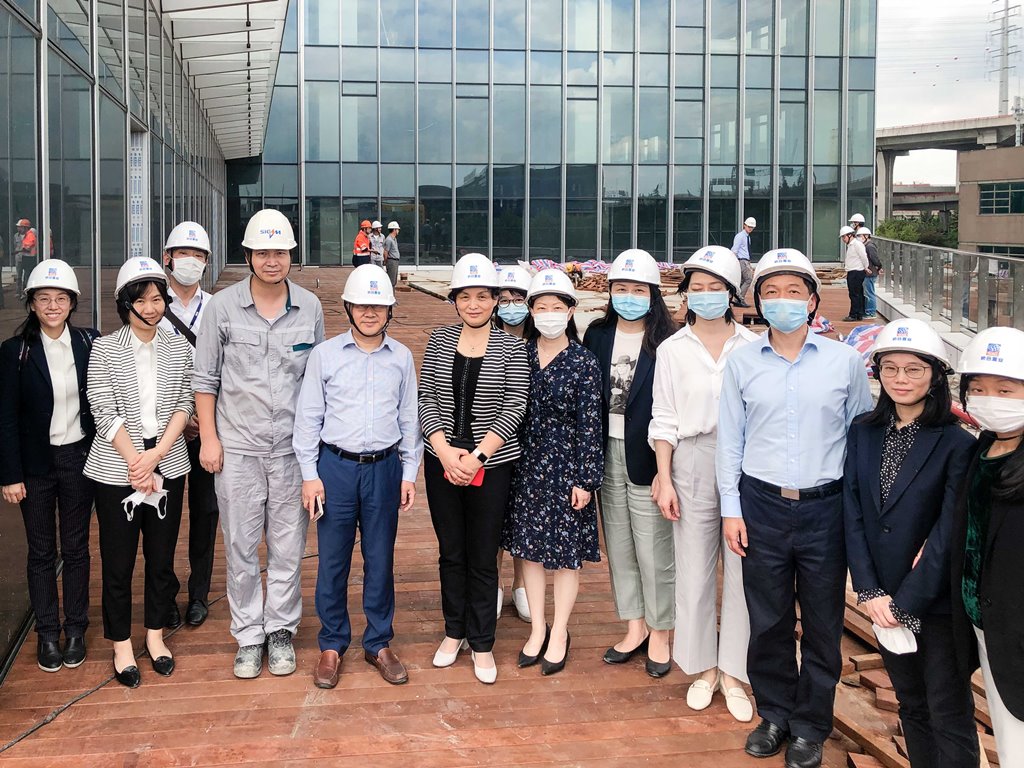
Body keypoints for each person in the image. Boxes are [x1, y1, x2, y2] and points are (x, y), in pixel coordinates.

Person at [717, 248, 872, 768]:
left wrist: (858, 515)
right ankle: (775, 714)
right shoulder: (742, 362)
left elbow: (860, 442)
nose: (781, 301)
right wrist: (732, 509)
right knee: (769, 619)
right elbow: (730, 442)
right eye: (770, 292)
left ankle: (810, 726)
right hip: (761, 503)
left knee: (824, 623)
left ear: (811, 300)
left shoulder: (844, 362)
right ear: (758, 301)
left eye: (792, 292)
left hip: (825, 507)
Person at [193, 208, 325, 679]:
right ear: (248, 255)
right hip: (238, 450)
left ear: (291, 255)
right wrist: (209, 439)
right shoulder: (222, 307)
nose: (273, 261)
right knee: (241, 546)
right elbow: (205, 379)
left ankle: (280, 630)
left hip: (291, 451)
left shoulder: (310, 307)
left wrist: (314, 456)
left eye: (281, 252)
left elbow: (318, 381)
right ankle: (249, 634)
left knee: (288, 547)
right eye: (263, 252)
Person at [845, 319, 978, 768]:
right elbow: (854, 513)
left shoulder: (956, 444)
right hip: (881, 598)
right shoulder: (863, 432)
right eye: (890, 368)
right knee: (911, 704)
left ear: (936, 375)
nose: (900, 379)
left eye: (914, 369)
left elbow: (948, 532)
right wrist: (869, 590)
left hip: (934, 603)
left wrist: (905, 603)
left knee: (948, 710)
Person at [293, 264, 423, 689]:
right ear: (348, 308)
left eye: (378, 306)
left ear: (390, 311)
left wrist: (408, 473)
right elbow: (308, 418)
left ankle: (378, 642)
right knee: (332, 560)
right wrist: (310, 475)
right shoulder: (325, 355)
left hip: (384, 469)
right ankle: (332, 644)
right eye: (362, 305)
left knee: (380, 559)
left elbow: (409, 419)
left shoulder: (401, 357)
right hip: (336, 468)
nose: (370, 313)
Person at [649, 246, 759, 721]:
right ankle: (702, 668)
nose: (707, 294)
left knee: (741, 569)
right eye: (698, 287)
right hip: (691, 459)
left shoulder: (754, 347)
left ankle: (734, 670)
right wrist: (664, 476)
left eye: (716, 287)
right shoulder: (672, 349)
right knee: (693, 569)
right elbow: (664, 417)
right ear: (686, 293)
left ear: (731, 293)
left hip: (745, 463)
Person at [419, 253, 529, 685]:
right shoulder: (440, 339)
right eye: (465, 296)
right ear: (454, 300)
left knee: (483, 555)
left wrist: (477, 456)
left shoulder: (512, 346)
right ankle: (454, 631)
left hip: (492, 465)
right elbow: (427, 397)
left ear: (495, 299)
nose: (474, 304)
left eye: (483, 296)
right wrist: (444, 451)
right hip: (442, 462)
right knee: (451, 552)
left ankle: (482, 642)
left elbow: (515, 405)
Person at [83, 257, 194, 688]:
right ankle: (121, 643)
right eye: (141, 300)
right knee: (118, 560)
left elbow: (185, 402)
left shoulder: (178, 348)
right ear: (124, 304)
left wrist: (157, 454)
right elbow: (102, 408)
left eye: (157, 299)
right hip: (117, 467)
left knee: (161, 557)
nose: (151, 308)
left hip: (167, 461)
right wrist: (137, 461)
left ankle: (154, 634)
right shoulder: (105, 348)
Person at [502, 270, 603, 676]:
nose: (548, 314)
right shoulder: (518, 355)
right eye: (541, 307)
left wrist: (586, 479)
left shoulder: (583, 362)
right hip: (523, 465)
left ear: (571, 311)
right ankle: (538, 629)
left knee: (565, 557)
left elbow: (590, 424)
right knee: (527, 551)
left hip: (566, 468)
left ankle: (559, 631)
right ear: (531, 311)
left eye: (556, 307)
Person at [582, 248, 678, 677]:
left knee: (654, 549)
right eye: (621, 288)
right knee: (619, 545)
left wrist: (666, 470)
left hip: (649, 455)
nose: (629, 296)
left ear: (653, 294)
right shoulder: (597, 334)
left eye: (638, 290)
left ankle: (660, 631)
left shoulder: (668, 341)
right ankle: (635, 625)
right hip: (606, 452)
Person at [0, 259, 99, 673]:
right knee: (41, 551)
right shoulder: (15, 352)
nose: (53, 306)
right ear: (32, 303)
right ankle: (46, 633)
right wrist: (10, 475)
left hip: (78, 458)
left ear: (72, 303)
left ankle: (75, 629)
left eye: (61, 298)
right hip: (36, 464)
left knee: (76, 548)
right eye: (44, 298)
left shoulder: (89, 342)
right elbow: (5, 417)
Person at [952, 326, 1024, 766]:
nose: (989, 398)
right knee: (1009, 733)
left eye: (1005, 389)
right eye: (977, 389)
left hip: (1017, 628)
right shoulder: (983, 448)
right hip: (987, 626)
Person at [158, 221, 218, 629]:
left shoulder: (216, 306)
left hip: (208, 426)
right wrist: (179, 421)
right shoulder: (149, 303)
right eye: (184, 253)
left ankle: (199, 593)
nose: (191, 261)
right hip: (165, 429)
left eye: (199, 255)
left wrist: (203, 420)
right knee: (163, 513)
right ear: (168, 258)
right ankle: (164, 594)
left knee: (206, 511)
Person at [494, 265, 534, 622]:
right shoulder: (486, 339)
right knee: (492, 515)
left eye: (518, 299)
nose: (511, 306)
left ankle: (521, 583)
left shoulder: (540, 342)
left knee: (523, 515)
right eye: (504, 300)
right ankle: (493, 582)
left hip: (534, 446)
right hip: (493, 445)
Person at [841, 225, 868, 322]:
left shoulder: (857, 244)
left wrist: (866, 267)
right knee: (857, 293)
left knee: (854, 294)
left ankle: (853, 314)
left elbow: (863, 256)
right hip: (853, 271)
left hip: (856, 272)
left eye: (844, 237)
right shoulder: (851, 245)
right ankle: (858, 314)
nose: (843, 239)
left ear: (850, 235)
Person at [730, 217, 756, 307]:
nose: (750, 229)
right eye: (749, 226)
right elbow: (735, 250)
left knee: (742, 281)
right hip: (742, 260)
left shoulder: (747, 237)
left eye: (752, 227)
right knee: (748, 279)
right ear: (744, 225)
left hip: (745, 260)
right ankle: (740, 299)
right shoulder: (740, 236)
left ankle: (737, 299)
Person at [860, 228, 881, 319]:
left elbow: (874, 258)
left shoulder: (869, 246)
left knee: (869, 293)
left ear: (866, 236)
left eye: (860, 236)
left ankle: (871, 312)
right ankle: (869, 311)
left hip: (870, 273)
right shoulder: (867, 245)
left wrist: (879, 266)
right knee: (868, 292)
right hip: (869, 272)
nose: (859, 238)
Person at [14, 218, 38, 297]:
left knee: (27, 275)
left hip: (29, 257)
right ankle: (23, 292)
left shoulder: (30, 234)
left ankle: (26, 292)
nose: (19, 228)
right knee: (23, 275)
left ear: (25, 227)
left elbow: (28, 247)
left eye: (20, 227)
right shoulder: (25, 235)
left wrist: (20, 250)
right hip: (25, 257)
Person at [383, 221, 401, 287]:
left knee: (394, 280)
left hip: (395, 261)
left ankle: (392, 292)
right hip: (391, 261)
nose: (398, 231)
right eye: (397, 229)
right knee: (391, 280)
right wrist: (386, 261)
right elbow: (386, 252)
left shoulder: (394, 239)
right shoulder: (389, 240)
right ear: (394, 230)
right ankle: (390, 292)